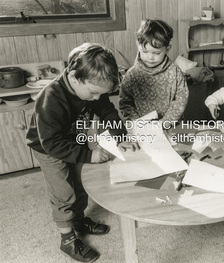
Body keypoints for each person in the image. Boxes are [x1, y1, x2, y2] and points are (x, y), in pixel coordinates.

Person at [26, 42, 140, 262]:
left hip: (74, 139)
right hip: (49, 147)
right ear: (75, 77)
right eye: (94, 93)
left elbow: (107, 112)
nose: (97, 99)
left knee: (81, 183)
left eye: (101, 94)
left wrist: (121, 138)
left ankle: (78, 220)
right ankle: (67, 239)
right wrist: (90, 155)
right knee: (63, 191)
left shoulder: (93, 89)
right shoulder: (50, 98)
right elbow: (52, 143)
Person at [119, 19, 189, 124]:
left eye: (156, 53)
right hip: (141, 129)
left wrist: (165, 122)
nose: (150, 57)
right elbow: (125, 103)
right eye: (145, 51)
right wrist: (138, 123)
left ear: (168, 48)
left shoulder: (175, 72)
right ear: (138, 45)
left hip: (170, 127)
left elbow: (181, 100)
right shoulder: (131, 75)